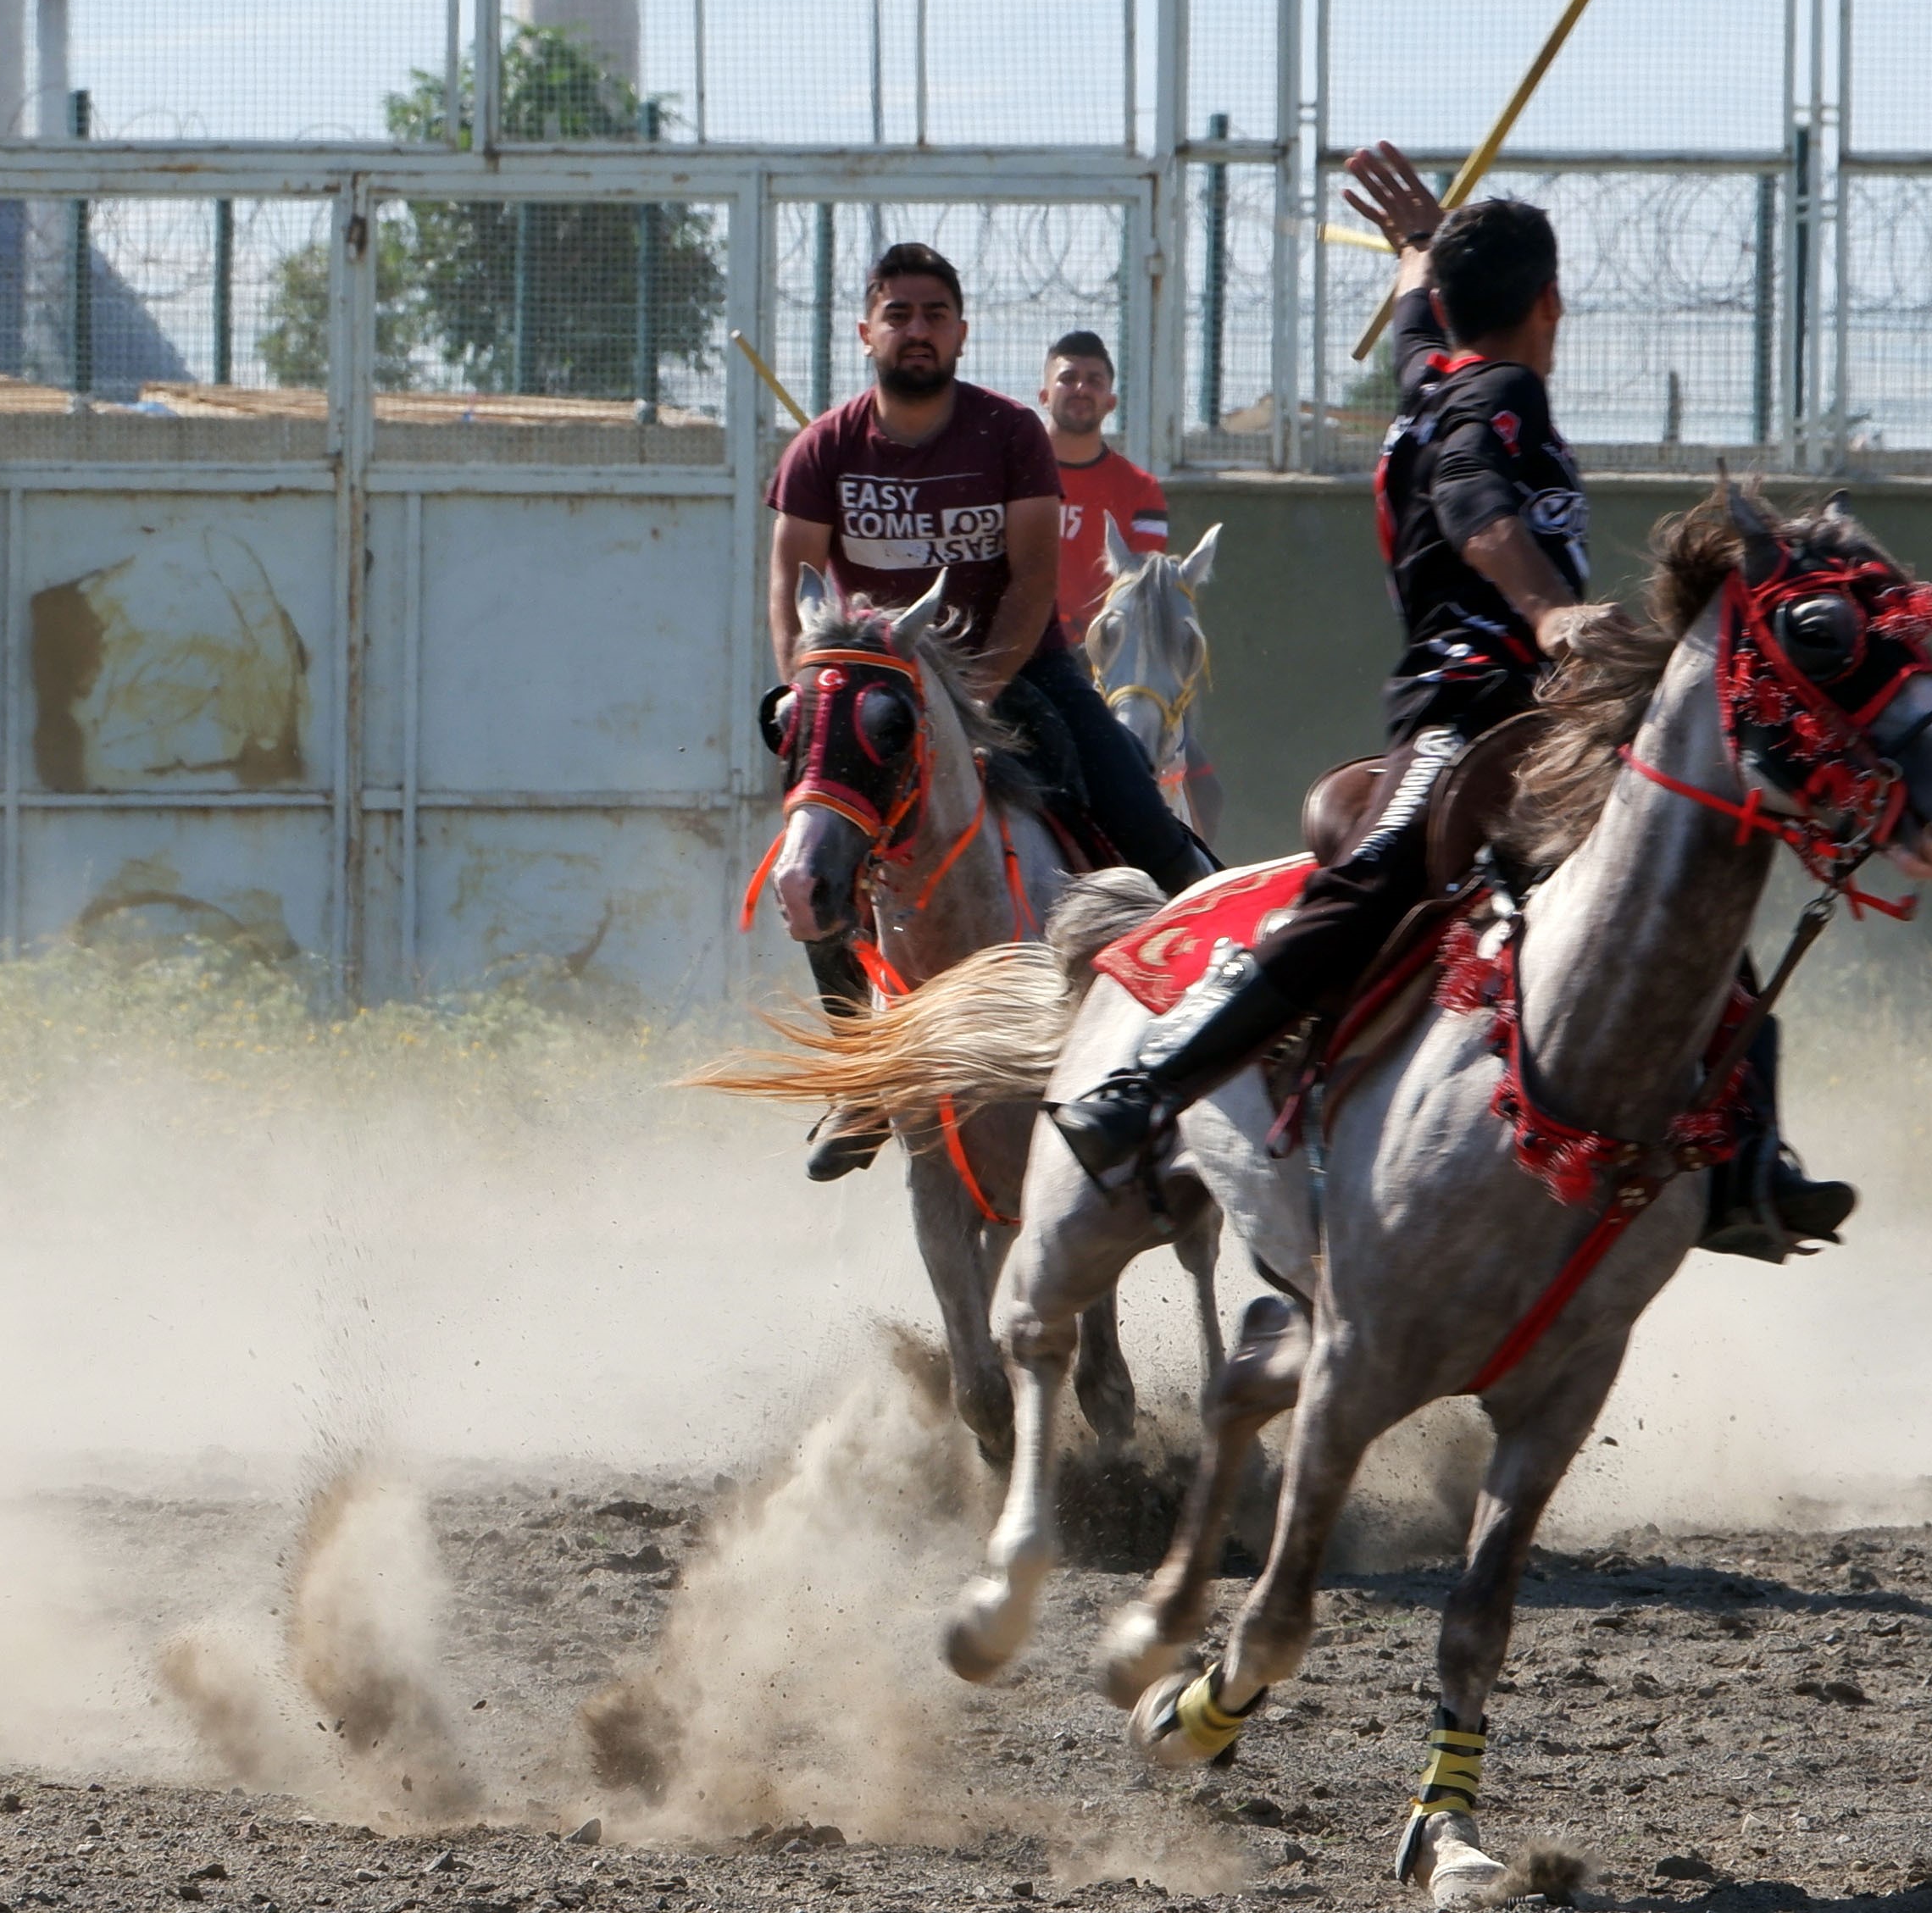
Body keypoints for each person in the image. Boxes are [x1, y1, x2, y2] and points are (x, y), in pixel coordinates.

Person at [1045, 147, 1867, 1260]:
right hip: (1471, 705)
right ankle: (1146, 1088)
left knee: (1691, 872)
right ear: (1551, 303)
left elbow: (1427, 329)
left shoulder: (1432, 369)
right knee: (1377, 879)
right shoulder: (1501, 396)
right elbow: (1477, 505)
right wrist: (1545, 614)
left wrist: (1419, 253)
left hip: (1543, 717)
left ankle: (1741, 1157)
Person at [769, 246, 1215, 1181]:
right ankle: (863, 1076)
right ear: (867, 332)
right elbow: (788, 589)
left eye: (935, 313)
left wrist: (960, 699)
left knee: (1142, 817)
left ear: (961, 332)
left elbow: (1030, 586)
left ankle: (1213, 1011)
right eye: (898, 313)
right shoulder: (820, 451)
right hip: (870, 693)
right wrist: (818, 693)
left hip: (1014, 673)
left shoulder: (1011, 433)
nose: (917, 328)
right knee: (810, 869)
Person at [1036, 330, 1169, 640]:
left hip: (1101, 653)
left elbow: (1139, 592)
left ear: (1111, 402)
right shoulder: (1008, 473)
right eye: (1068, 378)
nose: (1081, 388)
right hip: (1014, 652)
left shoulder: (1141, 491)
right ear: (1044, 396)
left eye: (1094, 381)